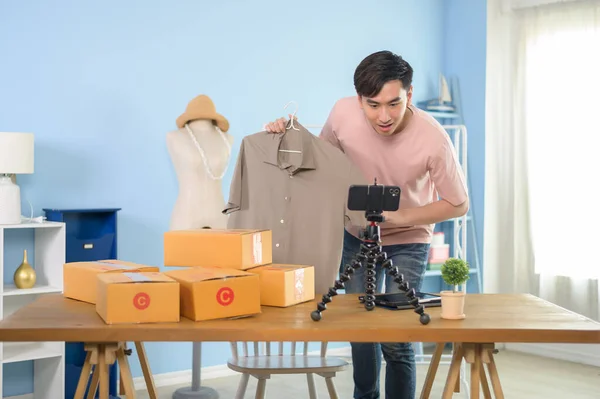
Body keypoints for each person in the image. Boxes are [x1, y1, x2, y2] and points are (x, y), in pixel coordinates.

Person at [264, 50, 469, 399]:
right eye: (373, 105)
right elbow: (322, 162)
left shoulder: (433, 138)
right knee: (361, 329)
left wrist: (401, 217)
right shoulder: (343, 113)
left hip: (408, 238)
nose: (384, 116)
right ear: (359, 99)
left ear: (410, 93)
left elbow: (458, 202)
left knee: (396, 334)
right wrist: (284, 133)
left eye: (394, 103)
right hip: (356, 233)